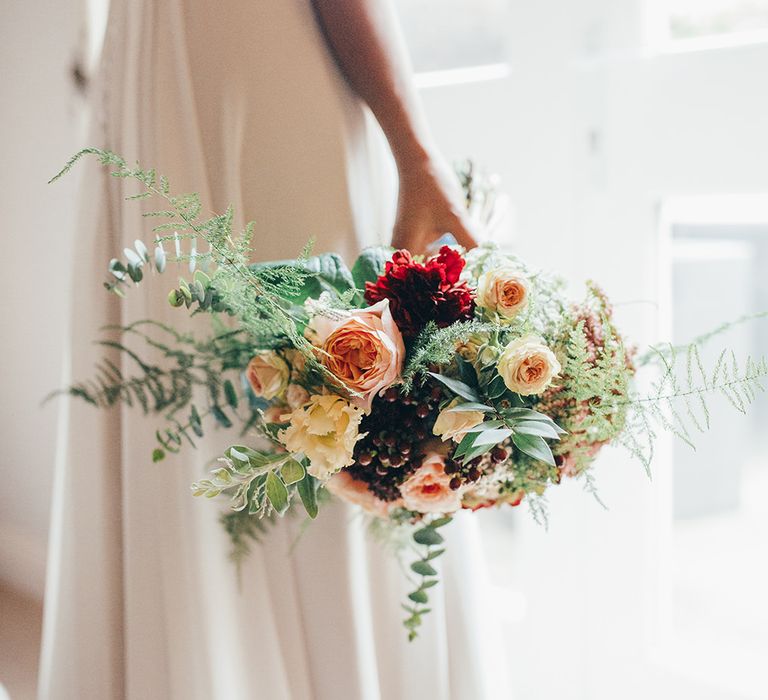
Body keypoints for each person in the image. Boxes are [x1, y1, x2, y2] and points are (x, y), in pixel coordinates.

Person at [39, 1, 505, 698]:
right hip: (253, 63)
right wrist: (417, 152)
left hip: (161, 73)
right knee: (329, 402)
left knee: (319, 403)